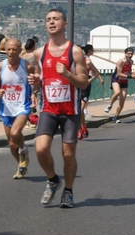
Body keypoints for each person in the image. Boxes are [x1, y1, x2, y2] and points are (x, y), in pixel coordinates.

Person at [28, 8, 88, 208]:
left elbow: (84, 83)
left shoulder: (75, 51)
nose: (51, 22)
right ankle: (53, 180)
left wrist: (68, 75)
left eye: (55, 19)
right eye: (48, 19)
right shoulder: (39, 53)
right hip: (49, 109)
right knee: (41, 149)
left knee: (68, 154)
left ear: (64, 24)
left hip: (70, 111)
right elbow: (39, 79)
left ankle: (68, 191)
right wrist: (35, 81)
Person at [0, 39, 35, 179]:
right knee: (11, 144)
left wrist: (34, 92)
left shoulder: (27, 66)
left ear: (19, 50)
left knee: (16, 133)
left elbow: (36, 83)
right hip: (6, 108)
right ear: (5, 50)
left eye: (14, 49)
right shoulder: (0, 66)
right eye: (8, 49)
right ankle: (21, 165)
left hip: (22, 106)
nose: (11, 52)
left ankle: (24, 150)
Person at [78, 44, 104, 138]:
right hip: (75, 85)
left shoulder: (87, 61)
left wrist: (90, 81)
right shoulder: (72, 61)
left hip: (85, 86)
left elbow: (96, 72)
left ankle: (82, 127)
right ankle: (80, 127)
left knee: (80, 109)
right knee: (75, 109)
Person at [104, 47, 134, 123]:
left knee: (122, 99)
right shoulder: (121, 61)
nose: (130, 55)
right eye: (128, 53)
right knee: (117, 92)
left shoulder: (131, 62)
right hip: (116, 79)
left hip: (124, 81)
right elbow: (119, 73)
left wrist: (133, 75)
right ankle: (110, 105)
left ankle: (116, 116)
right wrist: (129, 76)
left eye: (131, 54)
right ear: (125, 54)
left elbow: (129, 71)